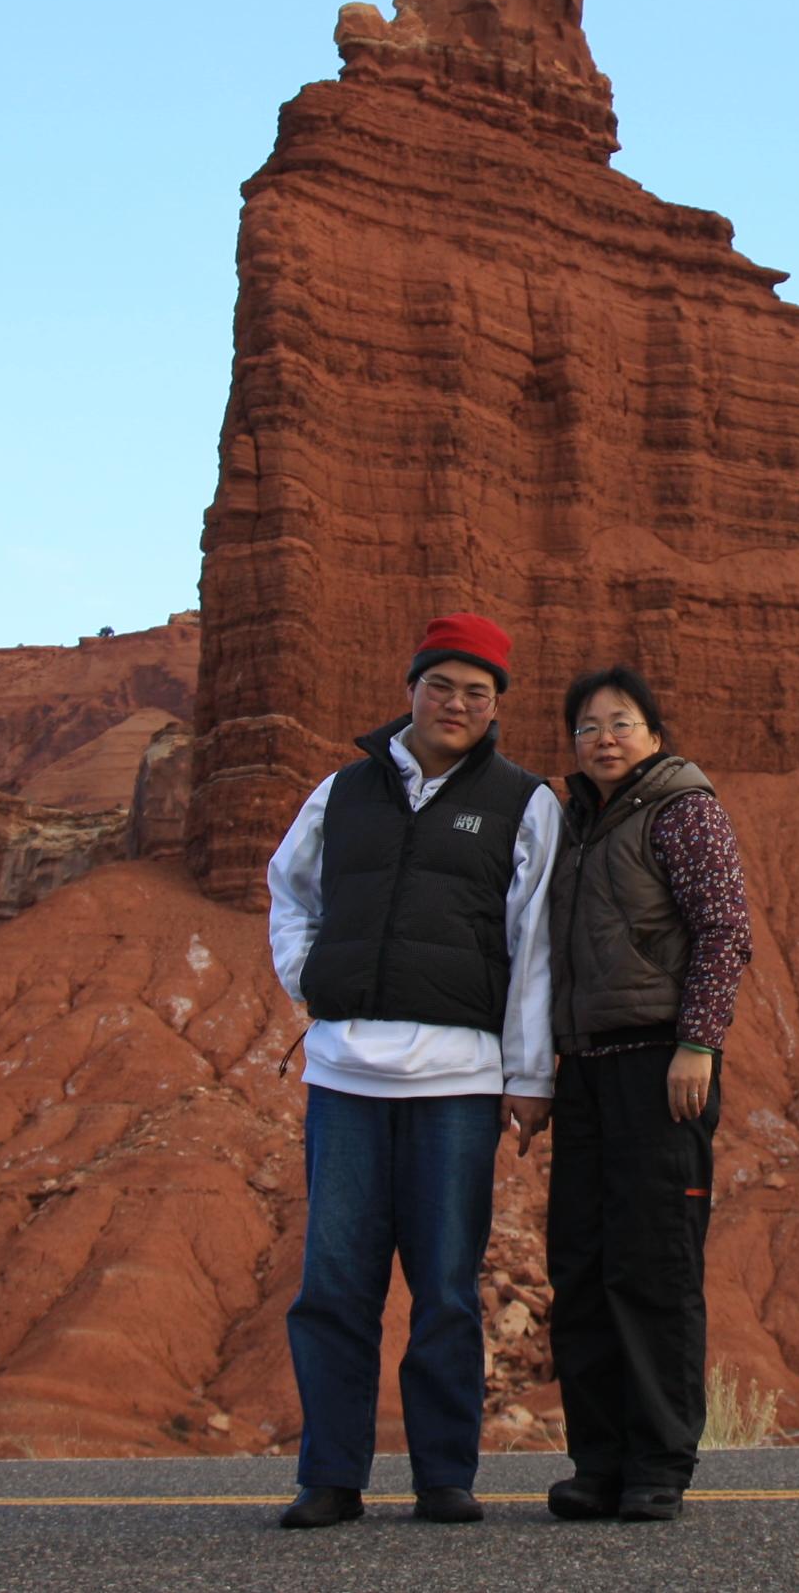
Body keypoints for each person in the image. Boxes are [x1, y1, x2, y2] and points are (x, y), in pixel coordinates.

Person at [266, 613, 560, 1529]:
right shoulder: (341, 793)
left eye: (479, 692)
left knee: (443, 1286)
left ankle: (444, 1476)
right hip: (345, 1076)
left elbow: (536, 945)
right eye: (444, 686)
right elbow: (289, 891)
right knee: (335, 1283)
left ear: (497, 705)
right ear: (413, 689)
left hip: (458, 1085)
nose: (459, 704)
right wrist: (309, 976)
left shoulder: (523, 800)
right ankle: (330, 1477)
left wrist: (528, 1075)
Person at [542, 663, 753, 1523]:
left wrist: (698, 1041)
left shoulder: (681, 809)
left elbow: (724, 927)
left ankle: (658, 1465)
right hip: (587, 1071)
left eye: (621, 723)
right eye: (588, 726)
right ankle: (598, 1464)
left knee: (653, 1264)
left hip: (663, 1065)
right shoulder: (575, 824)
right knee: (582, 1267)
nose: (604, 738)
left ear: (655, 735)